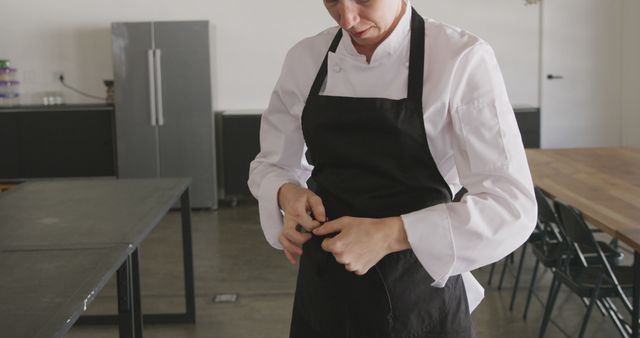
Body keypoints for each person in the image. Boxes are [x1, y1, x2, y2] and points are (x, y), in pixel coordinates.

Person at [248, 0, 537, 336]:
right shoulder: (307, 58)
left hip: (418, 294)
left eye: (364, 0)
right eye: (331, 1)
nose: (348, 18)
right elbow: (270, 163)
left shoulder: (459, 58)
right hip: (326, 288)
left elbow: (512, 206)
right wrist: (286, 192)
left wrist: (392, 233)